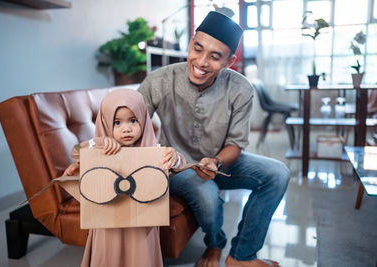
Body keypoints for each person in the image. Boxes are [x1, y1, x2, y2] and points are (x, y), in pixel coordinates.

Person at [138, 11, 290, 267]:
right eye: (197, 49)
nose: (201, 61)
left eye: (215, 56)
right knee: (205, 191)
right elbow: (129, 119)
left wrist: (216, 162)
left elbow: (236, 144)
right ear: (190, 44)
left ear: (229, 62)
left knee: (278, 173)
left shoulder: (241, 89)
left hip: (220, 162)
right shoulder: (159, 80)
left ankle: (241, 256)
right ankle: (215, 244)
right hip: (177, 166)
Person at [63, 88, 186, 267]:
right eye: (117, 122)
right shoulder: (100, 149)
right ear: (105, 123)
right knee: (108, 256)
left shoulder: (151, 149)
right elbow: (76, 152)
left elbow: (181, 164)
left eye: (133, 120)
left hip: (143, 224)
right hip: (106, 223)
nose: (126, 129)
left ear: (143, 120)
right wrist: (99, 142)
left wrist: (174, 156)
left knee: (141, 258)